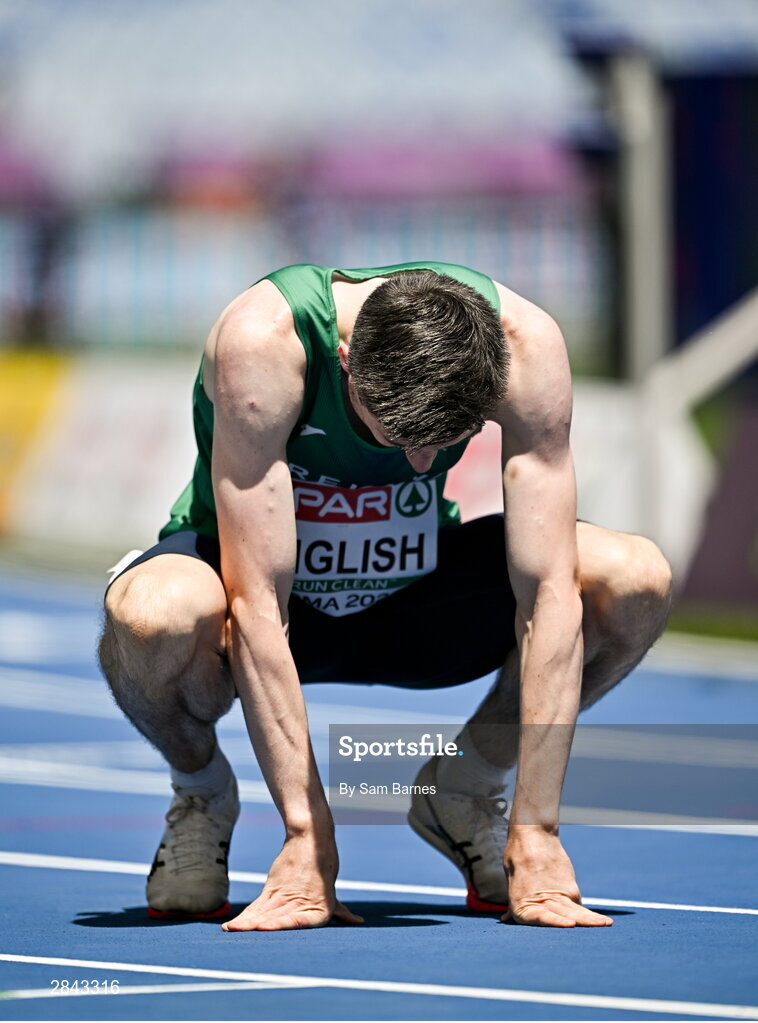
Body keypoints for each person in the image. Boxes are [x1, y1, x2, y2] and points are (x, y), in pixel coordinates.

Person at [99, 261, 672, 931]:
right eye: (398, 437)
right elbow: (256, 601)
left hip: (413, 595)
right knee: (149, 613)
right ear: (345, 362)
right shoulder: (265, 343)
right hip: (258, 605)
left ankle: (465, 782)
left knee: (633, 579)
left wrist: (538, 827)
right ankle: (200, 788)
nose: (422, 463)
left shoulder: (526, 345)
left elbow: (548, 593)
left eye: (449, 441)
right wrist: (306, 838)